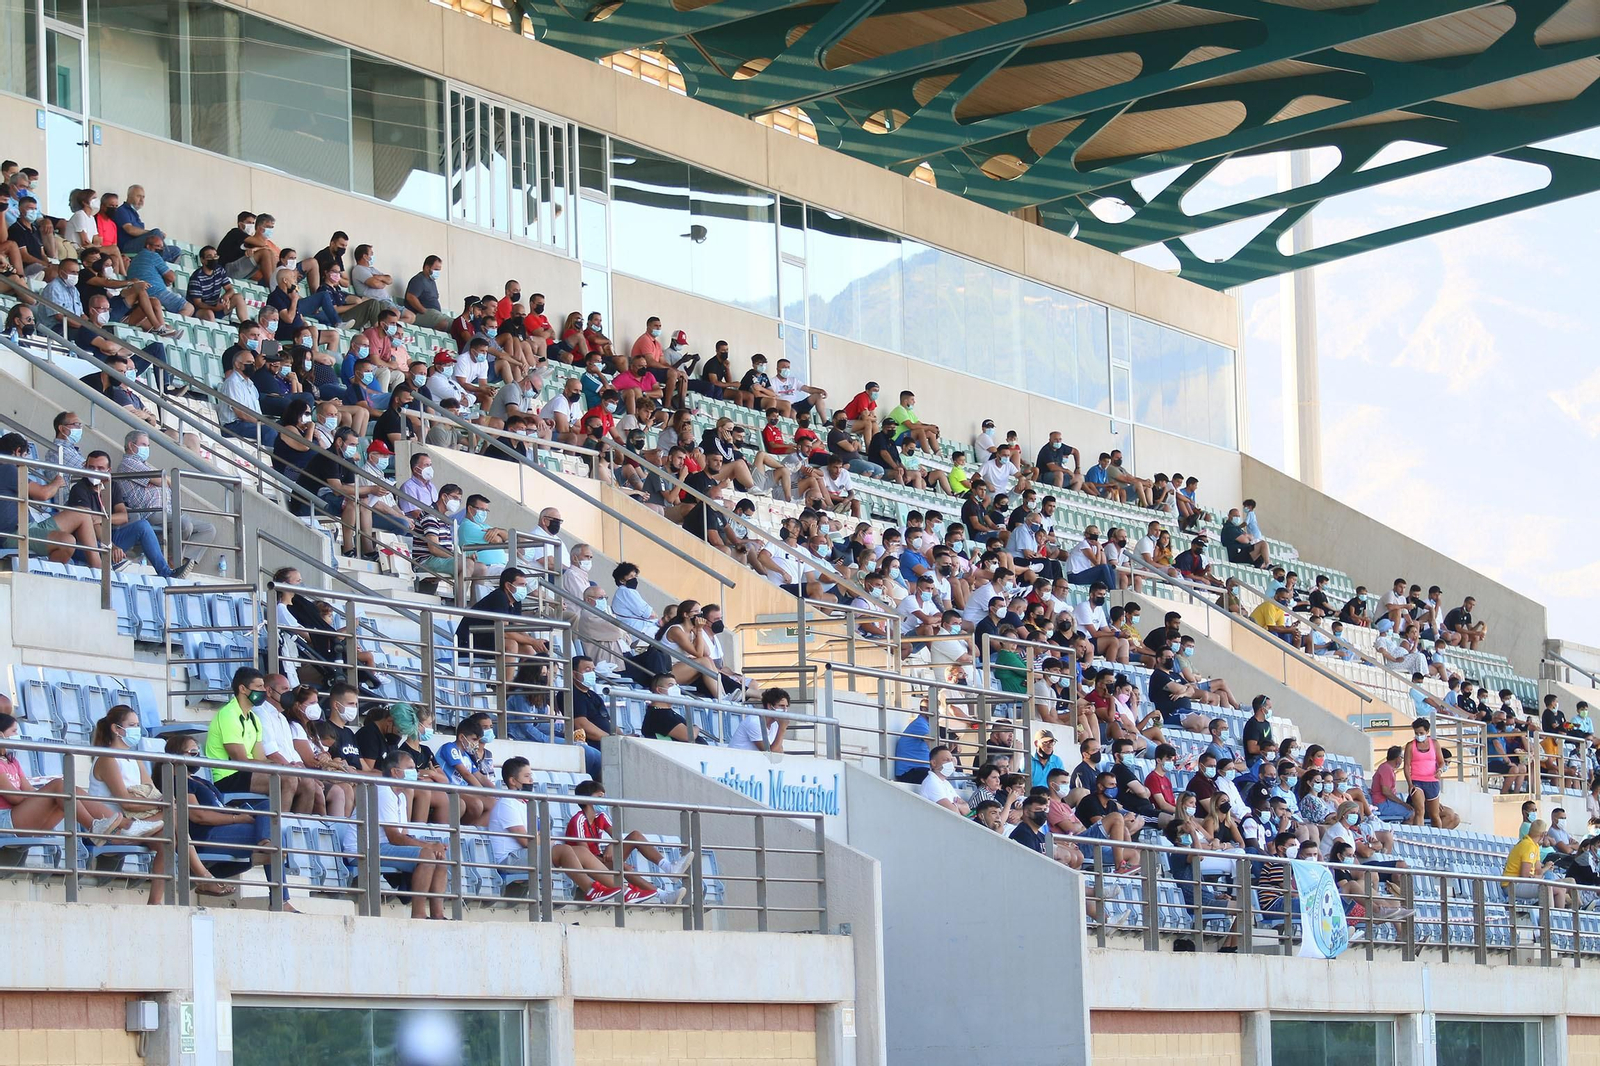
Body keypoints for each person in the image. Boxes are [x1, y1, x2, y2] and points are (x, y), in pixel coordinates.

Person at [489, 758, 623, 902]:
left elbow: (539, 837)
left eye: (531, 776)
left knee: (581, 851)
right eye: (526, 776)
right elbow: (527, 841)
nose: (531, 780)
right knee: (563, 850)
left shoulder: (526, 803)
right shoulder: (507, 803)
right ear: (513, 781)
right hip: (509, 859)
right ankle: (591, 890)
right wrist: (545, 839)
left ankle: (623, 891)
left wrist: (543, 839)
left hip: (527, 854)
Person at [68, 451, 194, 578]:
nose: (95, 471)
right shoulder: (79, 489)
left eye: (100, 468)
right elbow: (89, 525)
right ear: (85, 467)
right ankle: (112, 561)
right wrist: (111, 546)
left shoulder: (112, 486)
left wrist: (102, 519)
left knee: (143, 526)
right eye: (91, 467)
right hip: (85, 545)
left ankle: (166, 572)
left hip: (109, 538)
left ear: (108, 470)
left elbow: (123, 516)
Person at [0, 431, 107, 567]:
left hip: (29, 526)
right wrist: (56, 482)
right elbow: (43, 494)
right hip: (13, 534)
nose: (25, 461)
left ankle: (99, 570)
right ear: (17, 451)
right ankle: (46, 577)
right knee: (66, 542)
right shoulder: (7, 468)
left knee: (83, 512)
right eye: (25, 456)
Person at [918, 746, 970, 814]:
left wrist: (956, 806)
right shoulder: (931, 782)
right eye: (946, 760)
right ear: (934, 763)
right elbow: (954, 813)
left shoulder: (945, 783)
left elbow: (967, 810)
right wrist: (958, 807)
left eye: (951, 760)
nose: (950, 763)